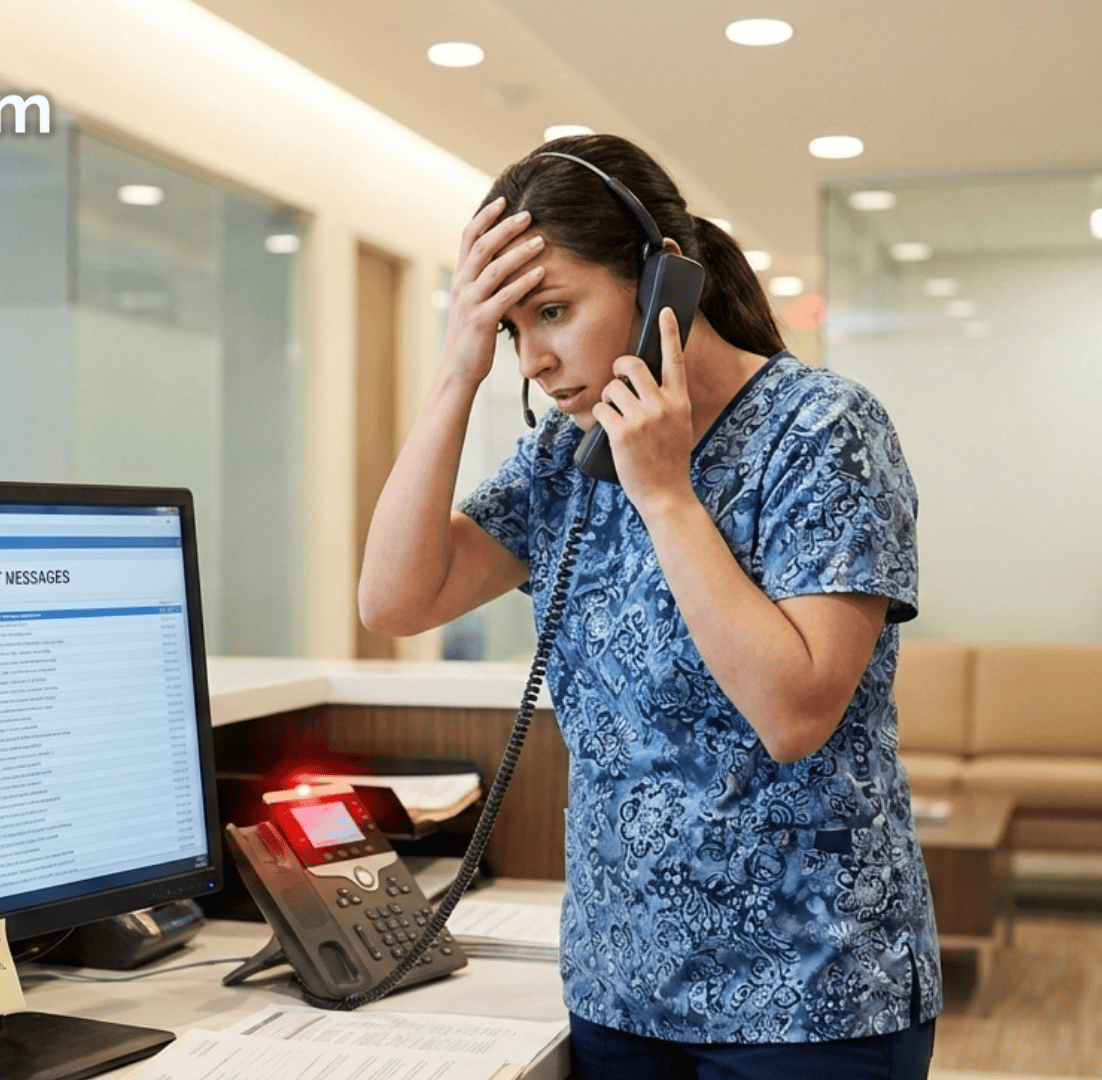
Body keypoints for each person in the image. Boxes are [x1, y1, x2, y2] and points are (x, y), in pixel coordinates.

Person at [358, 133, 940, 1078]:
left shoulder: (824, 430)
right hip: (623, 983)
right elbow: (394, 600)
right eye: (513, 329)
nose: (537, 359)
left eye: (554, 310)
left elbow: (794, 713)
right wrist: (456, 371)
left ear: (662, 283)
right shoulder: (563, 454)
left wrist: (665, 493)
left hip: (814, 992)